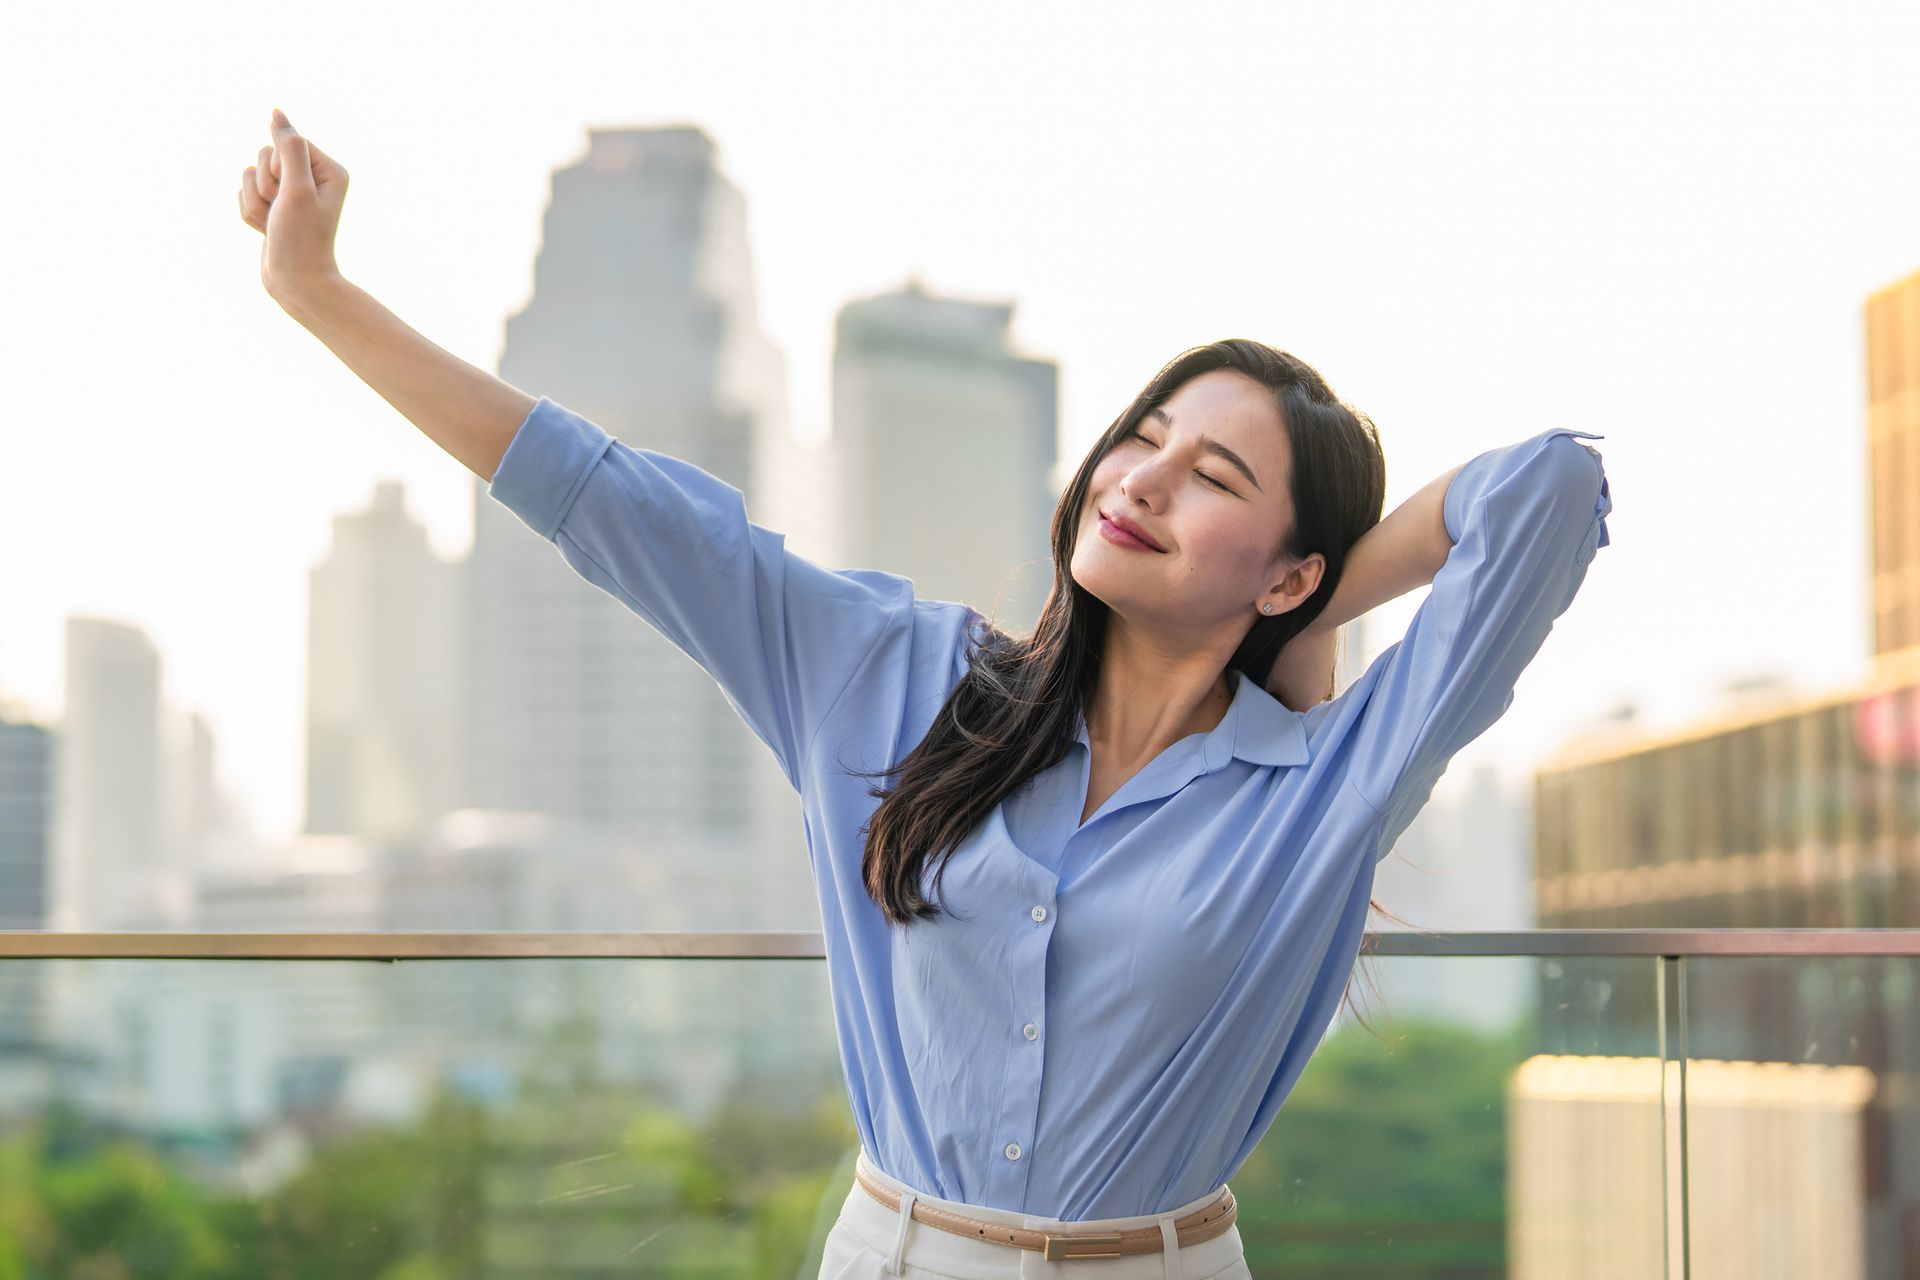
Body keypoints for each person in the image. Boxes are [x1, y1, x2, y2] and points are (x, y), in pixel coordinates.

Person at [240, 109, 1613, 1280]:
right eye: (1142, 437)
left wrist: (1312, 608)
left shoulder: (1326, 784)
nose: (1143, 479)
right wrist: (317, 291)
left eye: (1214, 477)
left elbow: (1547, 488)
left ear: (1288, 569)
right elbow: (605, 498)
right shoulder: (892, 671)